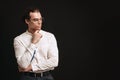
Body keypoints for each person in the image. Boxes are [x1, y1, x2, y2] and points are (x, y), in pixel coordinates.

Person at [13, 7, 59, 80]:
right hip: (28, 78)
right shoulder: (19, 39)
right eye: (35, 20)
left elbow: (54, 61)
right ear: (27, 21)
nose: (39, 22)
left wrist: (32, 67)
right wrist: (33, 43)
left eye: (40, 19)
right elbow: (23, 64)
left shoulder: (50, 36)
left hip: (47, 77)